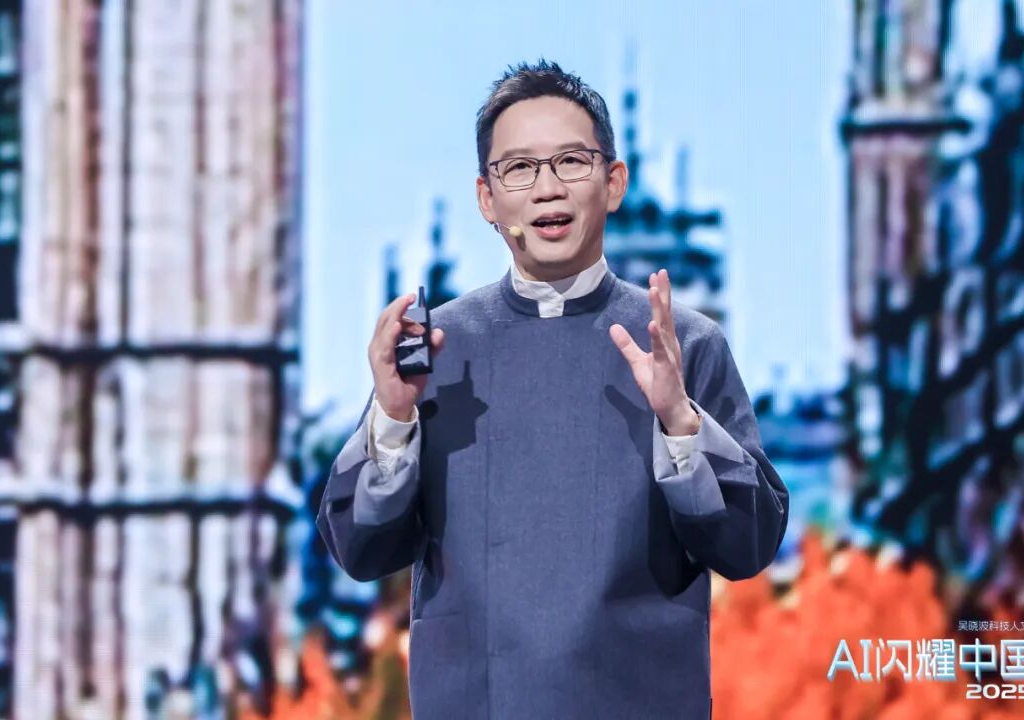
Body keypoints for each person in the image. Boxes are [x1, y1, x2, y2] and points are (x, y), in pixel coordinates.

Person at [316, 59, 789, 719]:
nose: (547, 189)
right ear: (487, 198)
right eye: (519, 168)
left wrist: (681, 423)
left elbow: (748, 546)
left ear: (613, 183)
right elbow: (360, 549)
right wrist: (394, 420)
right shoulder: (434, 352)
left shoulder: (686, 345)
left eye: (571, 162)